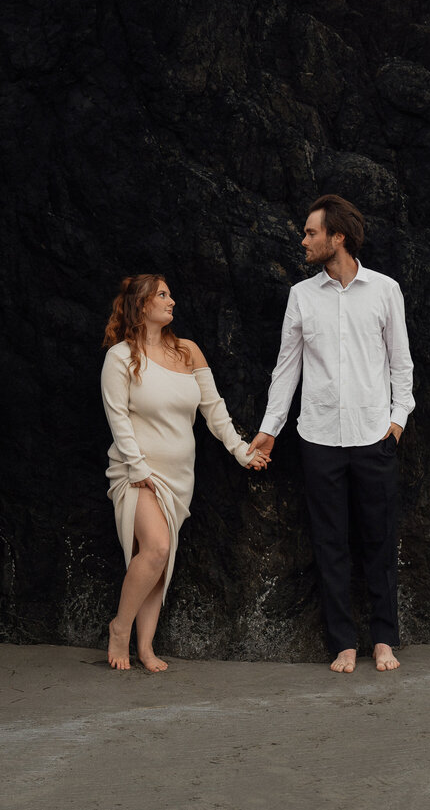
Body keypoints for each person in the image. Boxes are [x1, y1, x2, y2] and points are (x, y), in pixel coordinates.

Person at [249, 194, 414, 675]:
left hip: (373, 436)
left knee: (380, 541)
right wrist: (269, 431)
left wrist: (397, 421)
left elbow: (401, 364)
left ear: (337, 237)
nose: (303, 240)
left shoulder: (385, 290)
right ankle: (343, 643)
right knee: (329, 543)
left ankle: (383, 639)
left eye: (311, 233)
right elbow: (286, 370)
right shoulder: (302, 296)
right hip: (318, 438)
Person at [102, 273, 268, 672]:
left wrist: (241, 451)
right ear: (142, 305)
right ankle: (119, 628)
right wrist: (137, 466)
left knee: (159, 559)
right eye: (163, 295)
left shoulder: (188, 351)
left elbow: (214, 410)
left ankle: (145, 647)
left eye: (171, 294)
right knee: (156, 547)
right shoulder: (120, 357)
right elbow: (118, 416)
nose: (172, 301)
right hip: (137, 471)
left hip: (180, 476)